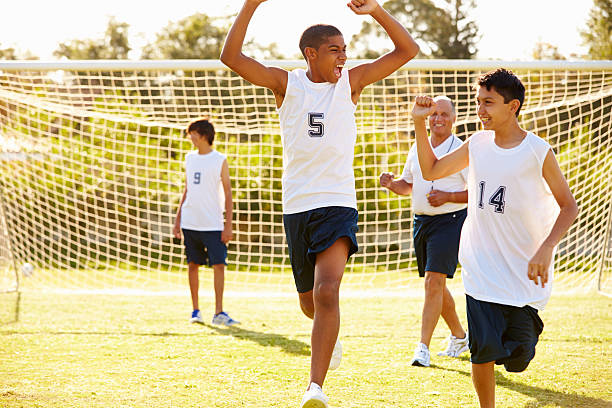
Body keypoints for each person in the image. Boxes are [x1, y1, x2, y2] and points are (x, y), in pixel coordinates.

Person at [220, 0, 419, 406]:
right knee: (310, 302)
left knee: (328, 292)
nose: (344, 57)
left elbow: (406, 50)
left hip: (338, 202)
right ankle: (329, 337)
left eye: (346, 49)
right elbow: (231, 57)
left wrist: (376, 12)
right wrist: (251, 5)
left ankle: (315, 387)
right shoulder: (286, 84)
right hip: (296, 205)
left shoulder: (352, 84)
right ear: (310, 54)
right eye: (335, 50)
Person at [412, 68, 578, 408]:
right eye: (477, 102)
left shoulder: (537, 151)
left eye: (488, 103)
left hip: (522, 271)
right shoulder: (477, 143)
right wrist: (418, 123)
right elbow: (430, 171)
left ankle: (523, 333)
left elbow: (569, 207)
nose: (480, 110)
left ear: (512, 106)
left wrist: (546, 248)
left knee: (518, 357)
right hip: (480, 267)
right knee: (482, 349)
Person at [379, 95, 469, 367]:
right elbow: (408, 184)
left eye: (444, 114)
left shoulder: (461, 150)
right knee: (435, 285)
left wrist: (448, 196)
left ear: (453, 118)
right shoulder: (417, 147)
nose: (438, 118)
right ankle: (460, 336)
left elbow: (476, 191)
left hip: (451, 220)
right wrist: (391, 184)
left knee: (433, 281)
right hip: (421, 222)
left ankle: (422, 349)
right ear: (426, 118)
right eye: (433, 114)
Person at [172, 119, 239, 327]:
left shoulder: (220, 159)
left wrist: (228, 224)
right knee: (193, 265)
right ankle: (196, 311)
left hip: (213, 223)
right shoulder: (189, 158)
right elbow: (187, 189)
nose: (189, 137)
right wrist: (178, 218)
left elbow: (228, 192)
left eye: (192, 133)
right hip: (191, 221)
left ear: (202, 135)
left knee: (219, 265)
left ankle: (219, 312)